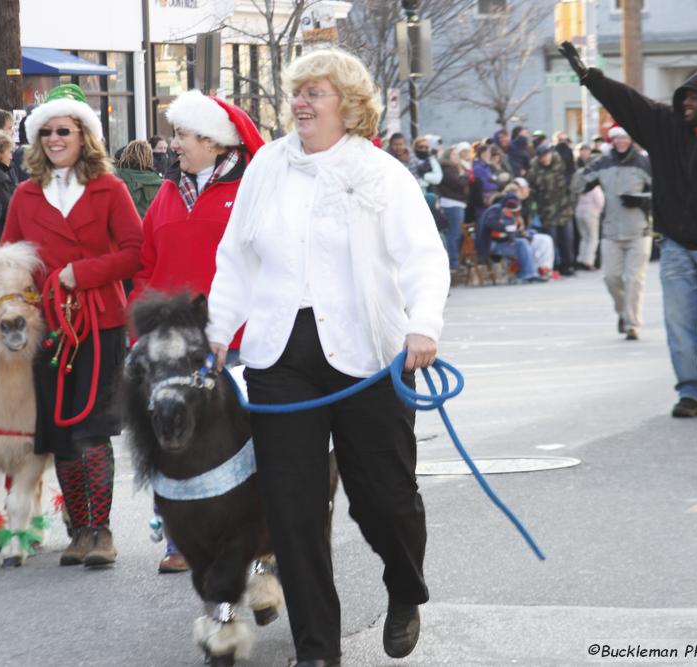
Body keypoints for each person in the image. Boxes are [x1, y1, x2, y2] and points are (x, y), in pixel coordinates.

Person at [205, 48, 449, 665]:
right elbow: (237, 256)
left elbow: (424, 256)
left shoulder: (380, 172)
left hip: (368, 354)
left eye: (316, 93)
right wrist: (216, 328)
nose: (301, 103)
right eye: (297, 92)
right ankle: (318, 649)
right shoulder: (266, 166)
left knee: (384, 498)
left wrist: (422, 326)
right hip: (280, 356)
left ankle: (405, 587)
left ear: (349, 104)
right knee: (293, 508)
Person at [560, 42, 697, 417]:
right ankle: (689, 392)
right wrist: (589, 77)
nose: (685, 104)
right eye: (683, 97)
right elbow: (630, 102)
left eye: (694, 99)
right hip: (676, 248)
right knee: (679, 325)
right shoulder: (666, 128)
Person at [1, 83, 143, 568]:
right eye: (46, 133)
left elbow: (133, 252)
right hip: (47, 324)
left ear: (85, 136)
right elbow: (11, 257)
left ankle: (101, 530)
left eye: (64, 130)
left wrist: (79, 273)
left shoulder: (110, 188)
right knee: (59, 430)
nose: (55, 139)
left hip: (99, 319)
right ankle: (78, 529)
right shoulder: (24, 193)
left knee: (91, 427)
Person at [128, 89, 263, 574]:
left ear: (213, 140)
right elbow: (147, 264)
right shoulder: (165, 196)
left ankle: (261, 538)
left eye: (183, 134)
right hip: (172, 345)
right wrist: (141, 322)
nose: (174, 143)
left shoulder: (250, 191)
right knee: (173, 432)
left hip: (241, 337)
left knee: (248, 440)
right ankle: (181, 537)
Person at [574, 126, 653, 339]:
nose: (621, 142)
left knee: (635, 279)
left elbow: (662, 192)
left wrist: (643, 199)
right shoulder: (604, 162)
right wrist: (581, 167)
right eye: (617, 138)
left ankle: (632, 325)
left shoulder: (643, 162)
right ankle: (623, 312)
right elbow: (578, 185)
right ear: (612, 141)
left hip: (639, 230)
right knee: (611, 278)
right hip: (611, 230)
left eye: (625, 138)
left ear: (631, 140)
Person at [530, 143, 576, 275]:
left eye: (546, 155)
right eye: (541, 156)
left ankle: (568, 265)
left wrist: (571, 202)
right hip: (547, 212)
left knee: (567, 240)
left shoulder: (561, 165)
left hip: (564, 209)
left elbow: (572, 184)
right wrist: (533, 209)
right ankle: (554, 266)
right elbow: (532, 193)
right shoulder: (534, 171)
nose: (545, 159)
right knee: (552, 240)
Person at [477, 192, 544, 283]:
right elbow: (490, 223)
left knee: (526, 241)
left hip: (501, 241)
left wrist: (518, 231)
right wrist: (505, 226)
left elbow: (511, 231)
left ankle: (529, 273)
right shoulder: (496, 210)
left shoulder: (508, 212)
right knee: (522, 244)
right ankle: (527, 274)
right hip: (491, 244)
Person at [436, 147, 470, 277]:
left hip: (458, 203)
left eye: (457, 154)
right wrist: (464, 176)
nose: (457, 156)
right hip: (452, 203)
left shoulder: (456, 169)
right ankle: (453, 262)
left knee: (456, 233)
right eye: (454, 154)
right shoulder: (448, 169)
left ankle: (455, 261)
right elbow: (459, 183)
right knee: (453, 234)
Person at [114, 140, 163, 220]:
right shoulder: (158, 182)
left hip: (120, 226)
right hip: (145, 227)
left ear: (126, 153)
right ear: (149, 157)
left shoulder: (114, 174)